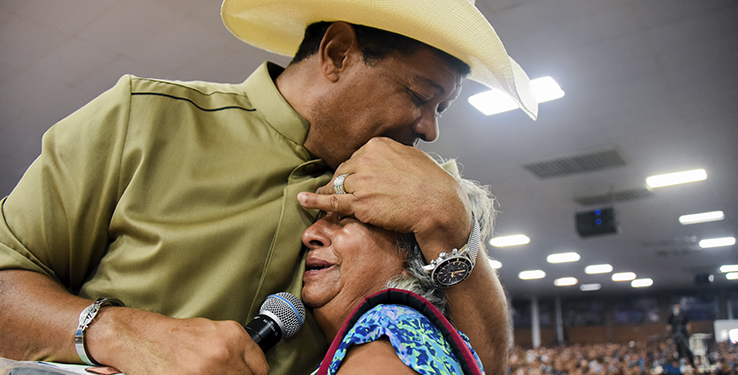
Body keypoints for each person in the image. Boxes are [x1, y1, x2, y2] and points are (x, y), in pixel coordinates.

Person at [0, 1, 538, 374]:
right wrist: (124, 333)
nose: (430, 128)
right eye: (421, 96)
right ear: (337, 53)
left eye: (441, 109)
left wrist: (455, 226)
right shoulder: (142, 120)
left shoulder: (408, 198)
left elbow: (480, 365)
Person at [301, 170, 493, 374]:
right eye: (320, 217)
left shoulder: (390, 332)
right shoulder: (420, 339)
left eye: (347, 218)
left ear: (415, 258)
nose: (310, 234)